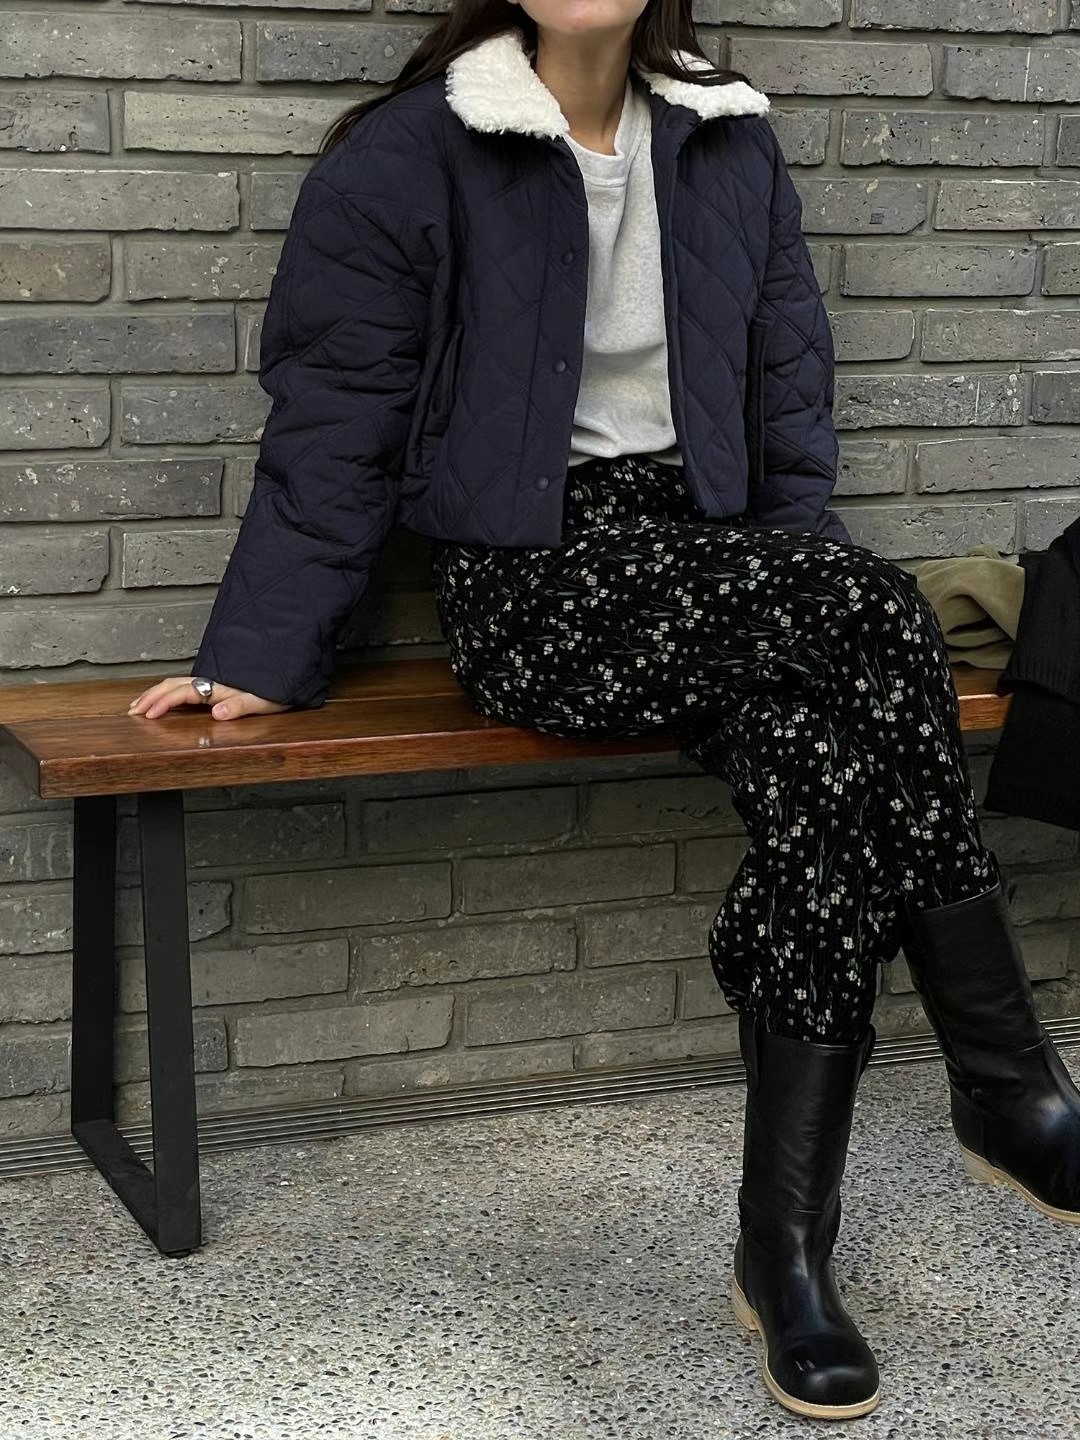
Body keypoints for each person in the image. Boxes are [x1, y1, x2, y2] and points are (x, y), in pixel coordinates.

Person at [127, 0, 1080, 1421]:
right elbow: (336, 418)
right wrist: (261, 651)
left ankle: (787, 1252)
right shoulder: (412, 153)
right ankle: (1004, 1083)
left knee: (826, 761)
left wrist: (793, 587)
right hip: (536, 581)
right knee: (874, 613)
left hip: (715, 563)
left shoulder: (725, 143)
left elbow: (789, 389)